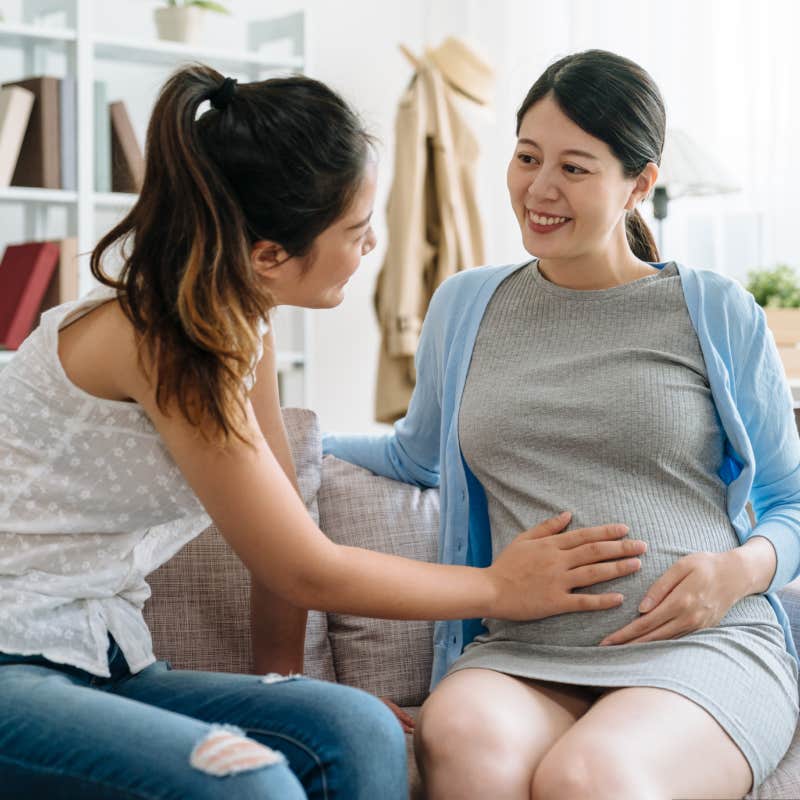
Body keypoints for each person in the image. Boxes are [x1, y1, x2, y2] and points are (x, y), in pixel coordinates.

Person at [0, 62, 647, 800]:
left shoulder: (238, 316)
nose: (371, 246)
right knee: (251, 787)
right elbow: (304, 566)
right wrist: (500, 587)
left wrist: (286, 685)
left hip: (99, 659)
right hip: (14, 661)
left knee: (355, 728)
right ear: (271, 254)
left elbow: (282, 520)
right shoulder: (167, 337)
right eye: (357, 229)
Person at [323, 49, 800, 798]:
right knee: (463, 742)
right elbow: (417, 456)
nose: (539, 190)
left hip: (703, 646)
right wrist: (279, 443)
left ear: (639, 184)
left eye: (575, 168)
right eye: (526, 158)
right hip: (523, 652)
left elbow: (791, 500)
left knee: (591, 776)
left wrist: (734, 573)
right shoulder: (466, 305)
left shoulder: (712, 309)